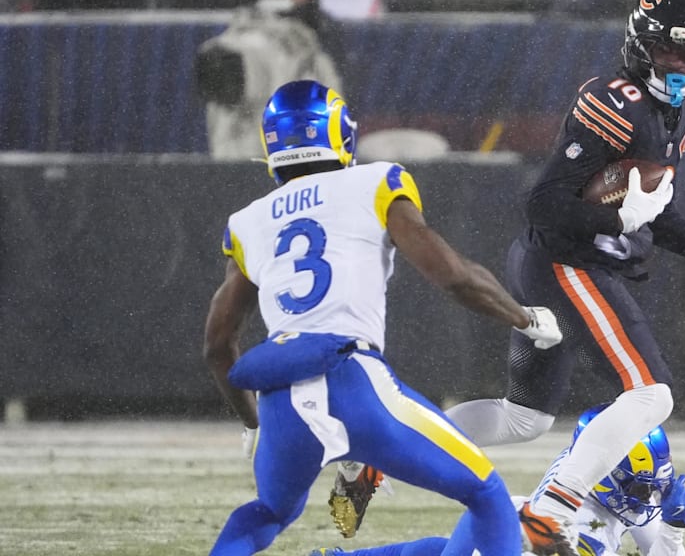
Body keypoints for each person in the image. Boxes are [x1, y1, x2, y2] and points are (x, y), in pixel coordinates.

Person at [415, 0, 685, 555]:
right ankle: (550, 511)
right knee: (651, 395)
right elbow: (543, 204)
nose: (679, 67)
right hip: (565, 262)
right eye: (668, 52)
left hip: (570, 262)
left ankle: (389, 448)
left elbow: (657, 215)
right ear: (640, 46)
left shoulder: (679, 112)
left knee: (523, 419)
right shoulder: (615, 101)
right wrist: (616, 220)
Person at [202, 79, 563, 555]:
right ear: (339, 132)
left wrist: (253, 423)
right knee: (485, 492)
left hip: (279, 394)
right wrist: (524, 318)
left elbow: (218, 345)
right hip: (353, 378)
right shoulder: (376, 182)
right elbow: (454, 276)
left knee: (267, 512)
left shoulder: (248, 222)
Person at [310, 403, 685, 556]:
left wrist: (670, 529)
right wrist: (673, 533)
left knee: (455, 542)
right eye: (642, 487)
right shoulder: (582, 518)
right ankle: (383, 447)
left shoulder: (602, 478)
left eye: (657, 486)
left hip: (509, 526)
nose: (650, 498)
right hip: (522, 533)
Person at [195, 0, 342, 162]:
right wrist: (226, 64)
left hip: (295, 162)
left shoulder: (313, 52)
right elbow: (236, 59)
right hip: (249, 157)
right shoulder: (256, 36)